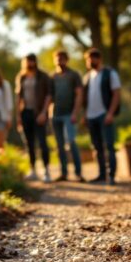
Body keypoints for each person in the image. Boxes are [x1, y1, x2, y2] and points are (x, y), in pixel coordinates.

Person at [83, 48, 122, 185]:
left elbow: (116, 94)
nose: (89, 62)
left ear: (99, 59)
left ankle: (111, 176)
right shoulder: (88, 77)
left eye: (92, 58)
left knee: (109, 146)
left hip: (104, 115)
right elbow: (85, 98)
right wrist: (85, 115)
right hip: (91, 116)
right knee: (97, 147)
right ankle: (101, 175)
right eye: (87, 59)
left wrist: (110, 113)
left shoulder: (110, 73)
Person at [16, 54, 53, 182]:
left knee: (42, 142)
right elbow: (19, 98)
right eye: (27, 61)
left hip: (39, 114)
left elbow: (49, 96)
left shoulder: (43, 76)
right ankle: (33, 170)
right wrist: (18, 116)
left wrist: (44, 113)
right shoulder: (22, 76)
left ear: (35, 62)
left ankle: (47, 171)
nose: (29, 64)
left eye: (31, 61)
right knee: (29, 143)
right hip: (26, 113)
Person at [49, 50, 85, 182]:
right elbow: (49, 96)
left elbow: (79, 94)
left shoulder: (74, 75)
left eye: (62, 59)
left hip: (69, 114)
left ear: (66, 60)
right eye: (57, 59)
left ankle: (78, 173)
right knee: (59, 145)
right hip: (55, 114)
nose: (60, 61)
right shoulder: (53, 77)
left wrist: (75, 112)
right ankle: (63, 173)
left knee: (71, 142)